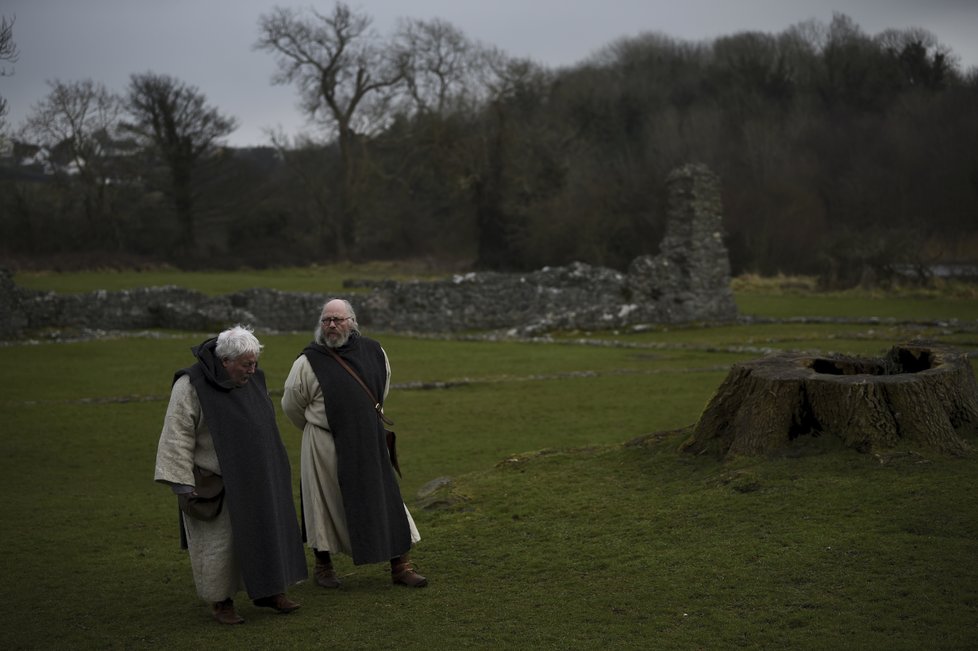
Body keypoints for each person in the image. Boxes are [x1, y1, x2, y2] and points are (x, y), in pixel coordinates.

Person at [154, 325, 308, 625]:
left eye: (254, 363)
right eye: (245, 364)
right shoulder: (191, 385)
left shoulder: (253, 379)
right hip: (215, 481)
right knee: (219, 545)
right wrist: (181, 483)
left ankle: (269, 590)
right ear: (225, 361)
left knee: (266, 533)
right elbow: (177, 433)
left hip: (259, 476)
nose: (252, 370)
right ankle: (221, 602)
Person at [282, 298, 427, 589]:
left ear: (352, 322)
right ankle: (323, 566)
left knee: (386, 499)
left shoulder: (375, 351)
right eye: (326, 320)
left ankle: (400, 566)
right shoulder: (308, 361)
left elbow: (380, 389)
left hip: (369, 438)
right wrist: (321, 427)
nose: (332, 325)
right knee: (322, 504)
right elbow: (291, 404)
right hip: (324, 443)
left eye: (338, 319)